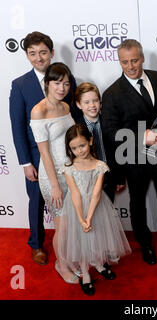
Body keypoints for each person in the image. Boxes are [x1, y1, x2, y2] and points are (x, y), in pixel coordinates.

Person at [101, 39, 157, 265]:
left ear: (142, 57)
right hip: (134, 157)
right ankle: (145, 244)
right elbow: (111, 132)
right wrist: (142, 138)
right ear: (120, 62)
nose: (131, 66)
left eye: (134, 60)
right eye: (125, 62)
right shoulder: (112, 93)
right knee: (137, 202)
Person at [9, 31, 81, 266]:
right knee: (37, 201)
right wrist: (25, 163)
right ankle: (36, 244)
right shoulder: (20, 84)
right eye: (32, 53)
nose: (38, 58)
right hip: (34, 154)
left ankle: (71, 244)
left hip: (65, 155)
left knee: (70, 201)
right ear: (27, 56)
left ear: (51, 52)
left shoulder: (66, 78)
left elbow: (75, 116)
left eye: (42, 52)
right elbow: (17, 125)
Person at [58, 123, 131, 296]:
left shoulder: (100, 165)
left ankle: (99, 264)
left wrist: (89, 217)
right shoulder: (69, 168)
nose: (79, 151)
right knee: (81, 241)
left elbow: (97, 192)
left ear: (90, 141)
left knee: (98, 236)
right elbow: (75, 193)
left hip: (96, 206)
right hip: (76, 208)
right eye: (74, 148)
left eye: (82, 145)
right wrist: (82, 219)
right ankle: (85, 274)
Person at [30, 62, 78, 283]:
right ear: (47, 83)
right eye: (57, 83)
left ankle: (70, 259)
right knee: (63, 226)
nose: (62, 88)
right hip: (53, 176)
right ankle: (62, 264)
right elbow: (44, 153)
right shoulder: (39, 111)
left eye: (66, 83)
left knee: (74, 222)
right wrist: (55, 184)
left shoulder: (66, 107)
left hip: (71, 172)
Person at [75, 82, 121, 202]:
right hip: (87, 179)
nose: (92, 105)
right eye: (86, 102)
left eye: (95, 100)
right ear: (79, 104)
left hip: (108, 176)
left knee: (107, 213)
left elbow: (117, 150)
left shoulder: (110, 123)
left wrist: (119, 178)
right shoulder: (76, 127)